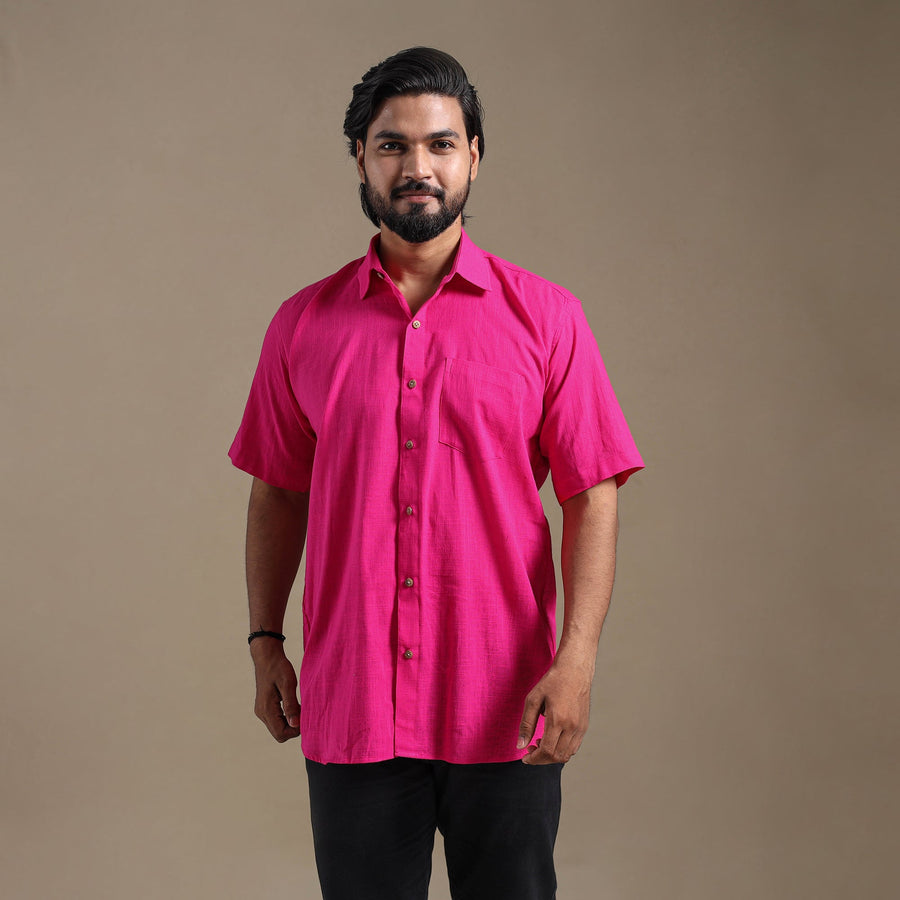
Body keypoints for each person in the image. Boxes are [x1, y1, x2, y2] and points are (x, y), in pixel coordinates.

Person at [229, 46, 644, 900]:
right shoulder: (301, 325)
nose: (417, 166)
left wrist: (577, 661)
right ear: (360, 159)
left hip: (506, 702)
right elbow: (277, 489)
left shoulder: (548, 319)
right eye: (392, 145)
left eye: (441, 144)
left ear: (474, 158)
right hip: (353, 703)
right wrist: (265, 641)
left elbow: (591, 494)